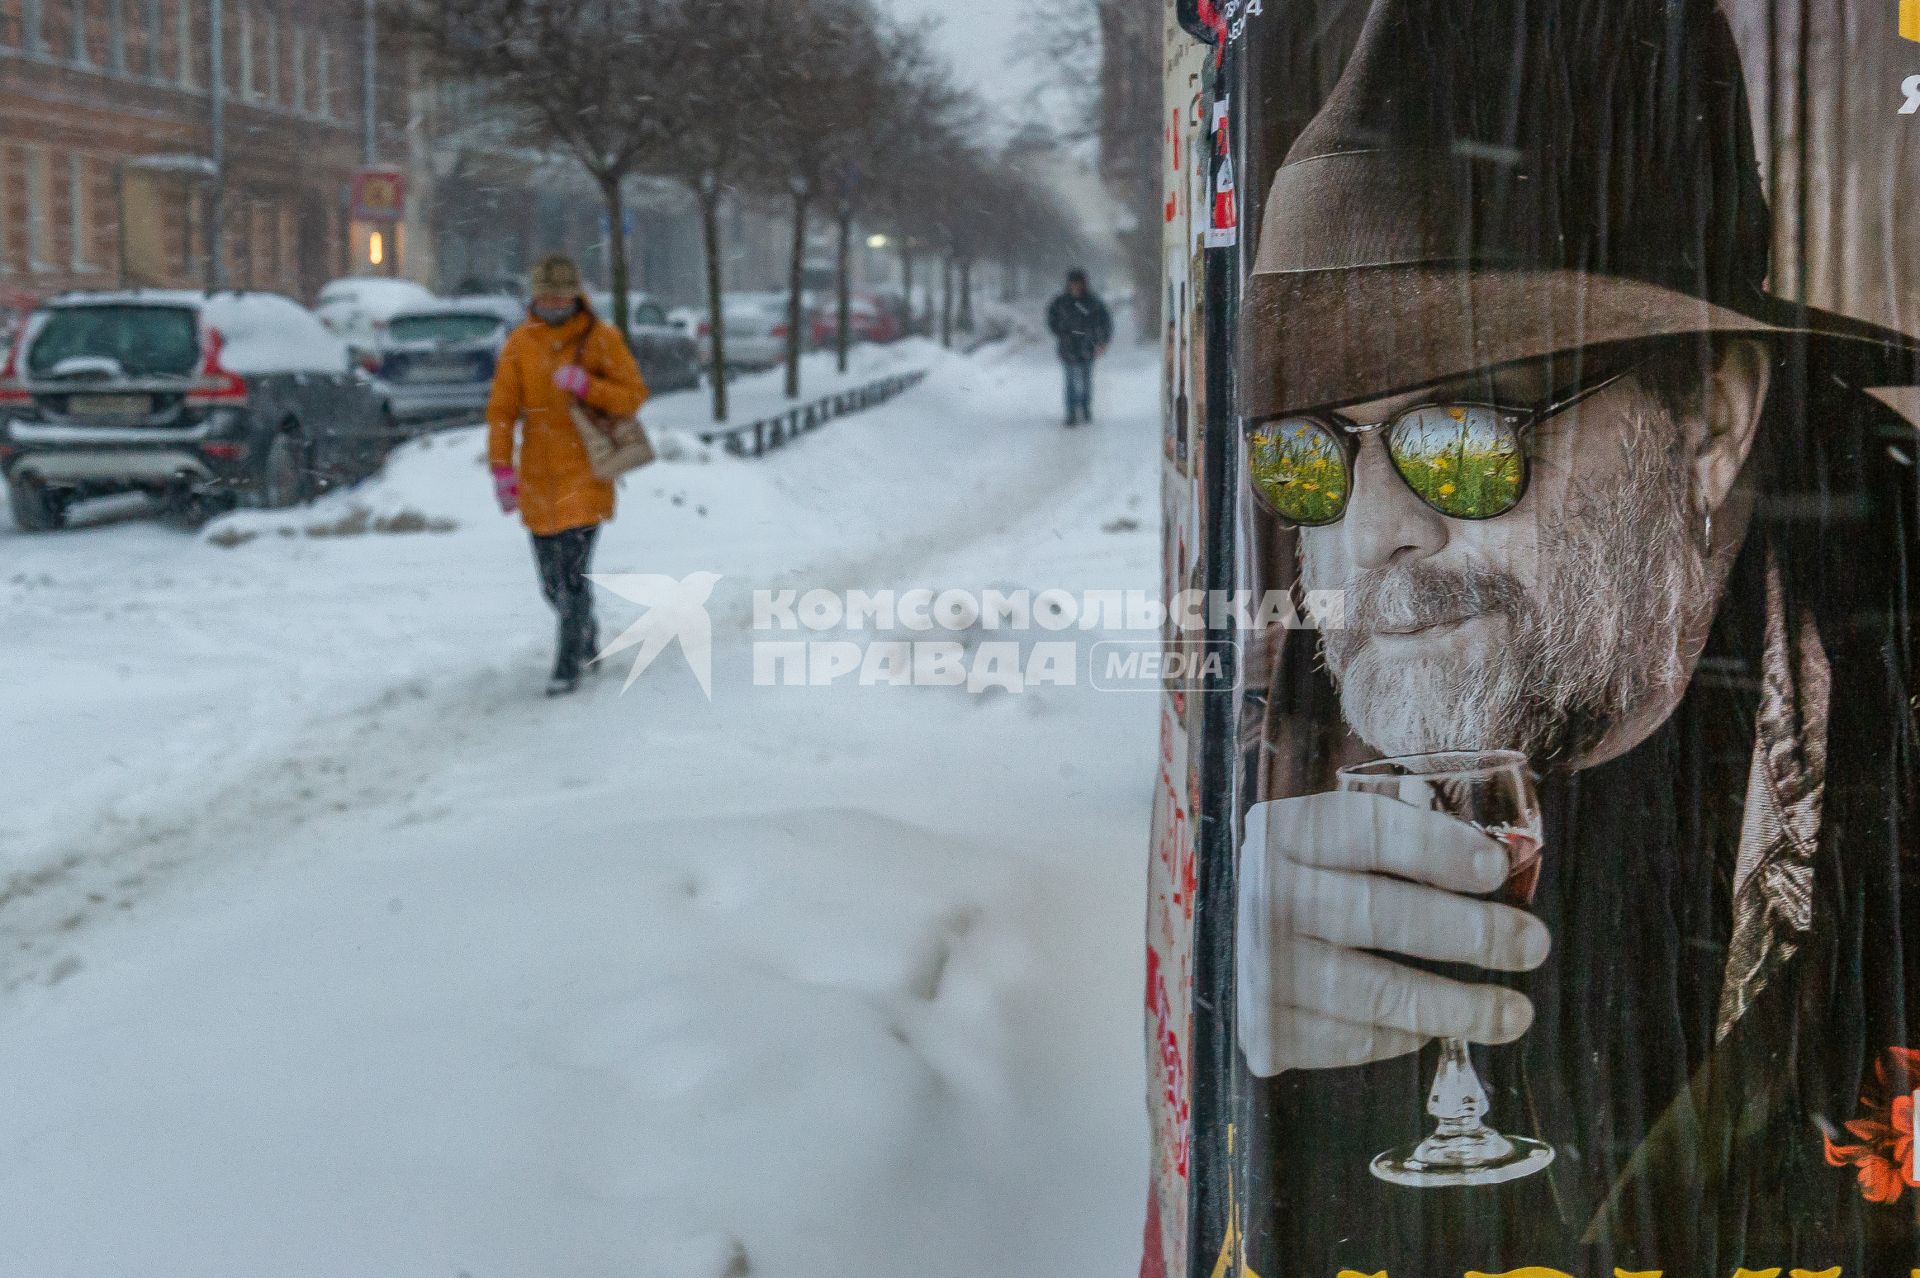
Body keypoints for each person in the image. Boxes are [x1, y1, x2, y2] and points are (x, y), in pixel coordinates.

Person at [1225, 0, 1920, 1270]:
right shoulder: (1292, 721)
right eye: (1308, 456)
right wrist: (1255, 1064)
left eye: (1463, 436)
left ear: (1707, 425)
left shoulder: (1895, 686)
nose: (1370, 536)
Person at [487, 254, 648, 697]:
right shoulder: (521, 344)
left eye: (562, 295)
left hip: (587, 472)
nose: (554, 303)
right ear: (535, 296)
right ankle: (584, 627)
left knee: (574, 575)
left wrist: (587, 385)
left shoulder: (601, 339)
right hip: (538, 476)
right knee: (551, 583)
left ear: (577, 295)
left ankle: (566, 665)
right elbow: (502, 412)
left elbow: (633, 395)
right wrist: (501, 467)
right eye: (546, 295)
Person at [1045, 269, 1112, 426]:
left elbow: (1105, 322)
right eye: (1073, 283)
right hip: (1068, 346)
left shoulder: (1093, 302)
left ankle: (1085, 407)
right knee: (1069, 380)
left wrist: (1102, 342)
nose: (1076, 286)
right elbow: (1051, 319)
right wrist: (1060, 332)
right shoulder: (1060, 302)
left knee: (1086, 379)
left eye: (1078, 283)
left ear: (1084, 284)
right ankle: (1071, 412)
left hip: (1087, 346)